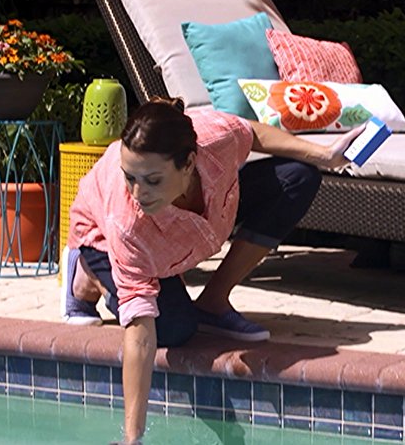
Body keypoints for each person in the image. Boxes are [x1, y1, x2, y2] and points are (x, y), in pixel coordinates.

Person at [63, 96, 363, 444]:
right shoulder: (127, 221)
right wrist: (133, 438)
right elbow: (140, 333)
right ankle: (86, 273)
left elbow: (250, 133)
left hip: (192, 229)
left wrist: (325, 155)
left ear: (189, 163)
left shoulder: (212, 137)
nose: (138, 192)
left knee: (297, 177)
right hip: (103, 236)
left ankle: (213, 301)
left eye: (153, 180)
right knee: (173, 330)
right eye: (129, 177)